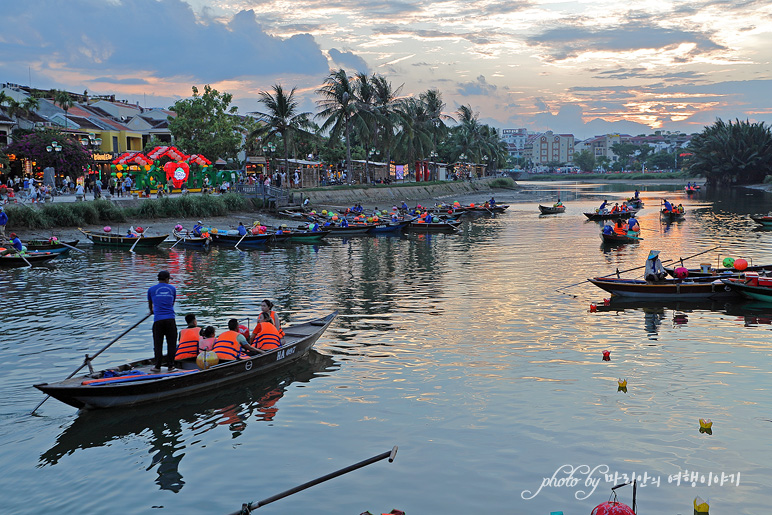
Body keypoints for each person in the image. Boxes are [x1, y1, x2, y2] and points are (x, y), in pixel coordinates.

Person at [148, 270, 177, 372]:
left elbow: (150, 305)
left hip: (158, 320)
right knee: (171, 344)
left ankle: (157, 366)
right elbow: (172, 303)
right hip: (170, 320)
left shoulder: (151, 290)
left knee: (158, 344)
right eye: (169, 279)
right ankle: (171, 366)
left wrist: (152, 311)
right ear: (166, 279)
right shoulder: (172, 289)